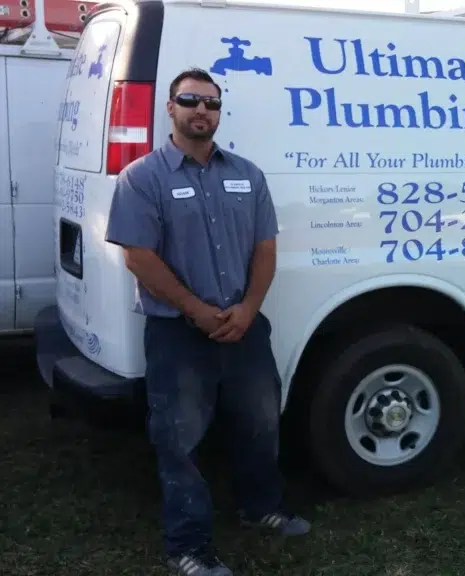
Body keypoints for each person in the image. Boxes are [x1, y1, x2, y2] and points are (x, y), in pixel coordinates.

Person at [105, 67, 310, 576]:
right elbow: (139, 257)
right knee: (180, 440)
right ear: (170, 108)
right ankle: (189, 546)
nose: (202, 110)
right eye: (191, 100)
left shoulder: (248, 174)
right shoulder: (142, 177)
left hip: (244, 328)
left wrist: (247, 310)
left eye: (211, 103)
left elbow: (265, 250)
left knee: (261, 424)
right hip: (178, 333)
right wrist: (196, 311)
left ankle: (260, 506)